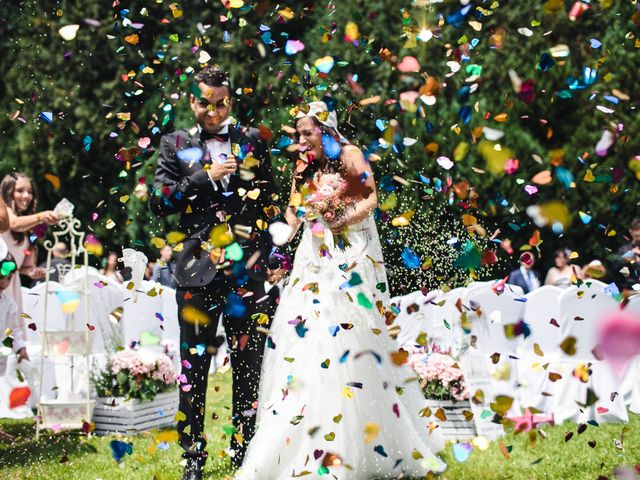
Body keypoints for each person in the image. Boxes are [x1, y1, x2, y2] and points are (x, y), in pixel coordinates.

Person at [236, 101, 446, 479]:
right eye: (297, 135)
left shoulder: (348, 154)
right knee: (305, 339)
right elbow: (292, 211)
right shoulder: (302, 165)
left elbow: (371, 197)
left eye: (307, 134)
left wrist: (341, 219)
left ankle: (367, 440)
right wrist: (280, 241)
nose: (301, 142)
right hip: (312, 257)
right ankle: (303, 439)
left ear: (325, 130)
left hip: (352, 250)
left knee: (354, 334)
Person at [149, 66, 281, 480]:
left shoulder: (254, 140)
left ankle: (245, 451)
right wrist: (204, 178)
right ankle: (193, 458)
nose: (213, 111)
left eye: (221, 103)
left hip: (249, 273)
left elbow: (272, 201)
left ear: (231, 100)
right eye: (205, 102)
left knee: (249, 364)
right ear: (192, 100)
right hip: (194, 272)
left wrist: (273, 258)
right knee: (194, 367)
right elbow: (160, 201)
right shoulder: (174, 144)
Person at [0, 173, 59, 322]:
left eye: (30, 192)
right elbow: (14, 224)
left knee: (12, 335)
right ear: (8, 191)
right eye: (20, 190)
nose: (26, 196)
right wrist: (42, 216)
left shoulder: (30, 227)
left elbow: (24, 267)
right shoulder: (4, 211)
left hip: (12, 283)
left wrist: (32, 271)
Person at [0, 241, 28, 376]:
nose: (5, 281)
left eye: (10, 278)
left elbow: (13, 330)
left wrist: (20, 348)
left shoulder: (9, 304)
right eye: (3, 276)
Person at [613, 218, 640, 290]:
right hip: (628, 289)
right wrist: (629, 255)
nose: (639, 239)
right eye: (637, 236)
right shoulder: (623, 249)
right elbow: (616, 269)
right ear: (630, 231)